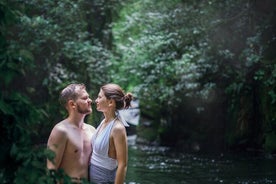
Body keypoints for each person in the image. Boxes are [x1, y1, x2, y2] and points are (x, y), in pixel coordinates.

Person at [47, 83, 96, 183]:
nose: (90, 100)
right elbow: (51, 170)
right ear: (72, 104)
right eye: (85, 98)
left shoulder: (92, 130)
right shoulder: (61, 131)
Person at [89, 83, 133, 184]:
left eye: (99, 97)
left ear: (110, 102)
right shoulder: (104, 122)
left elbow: (123, 165)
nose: (96, 100)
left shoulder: (117, 128)